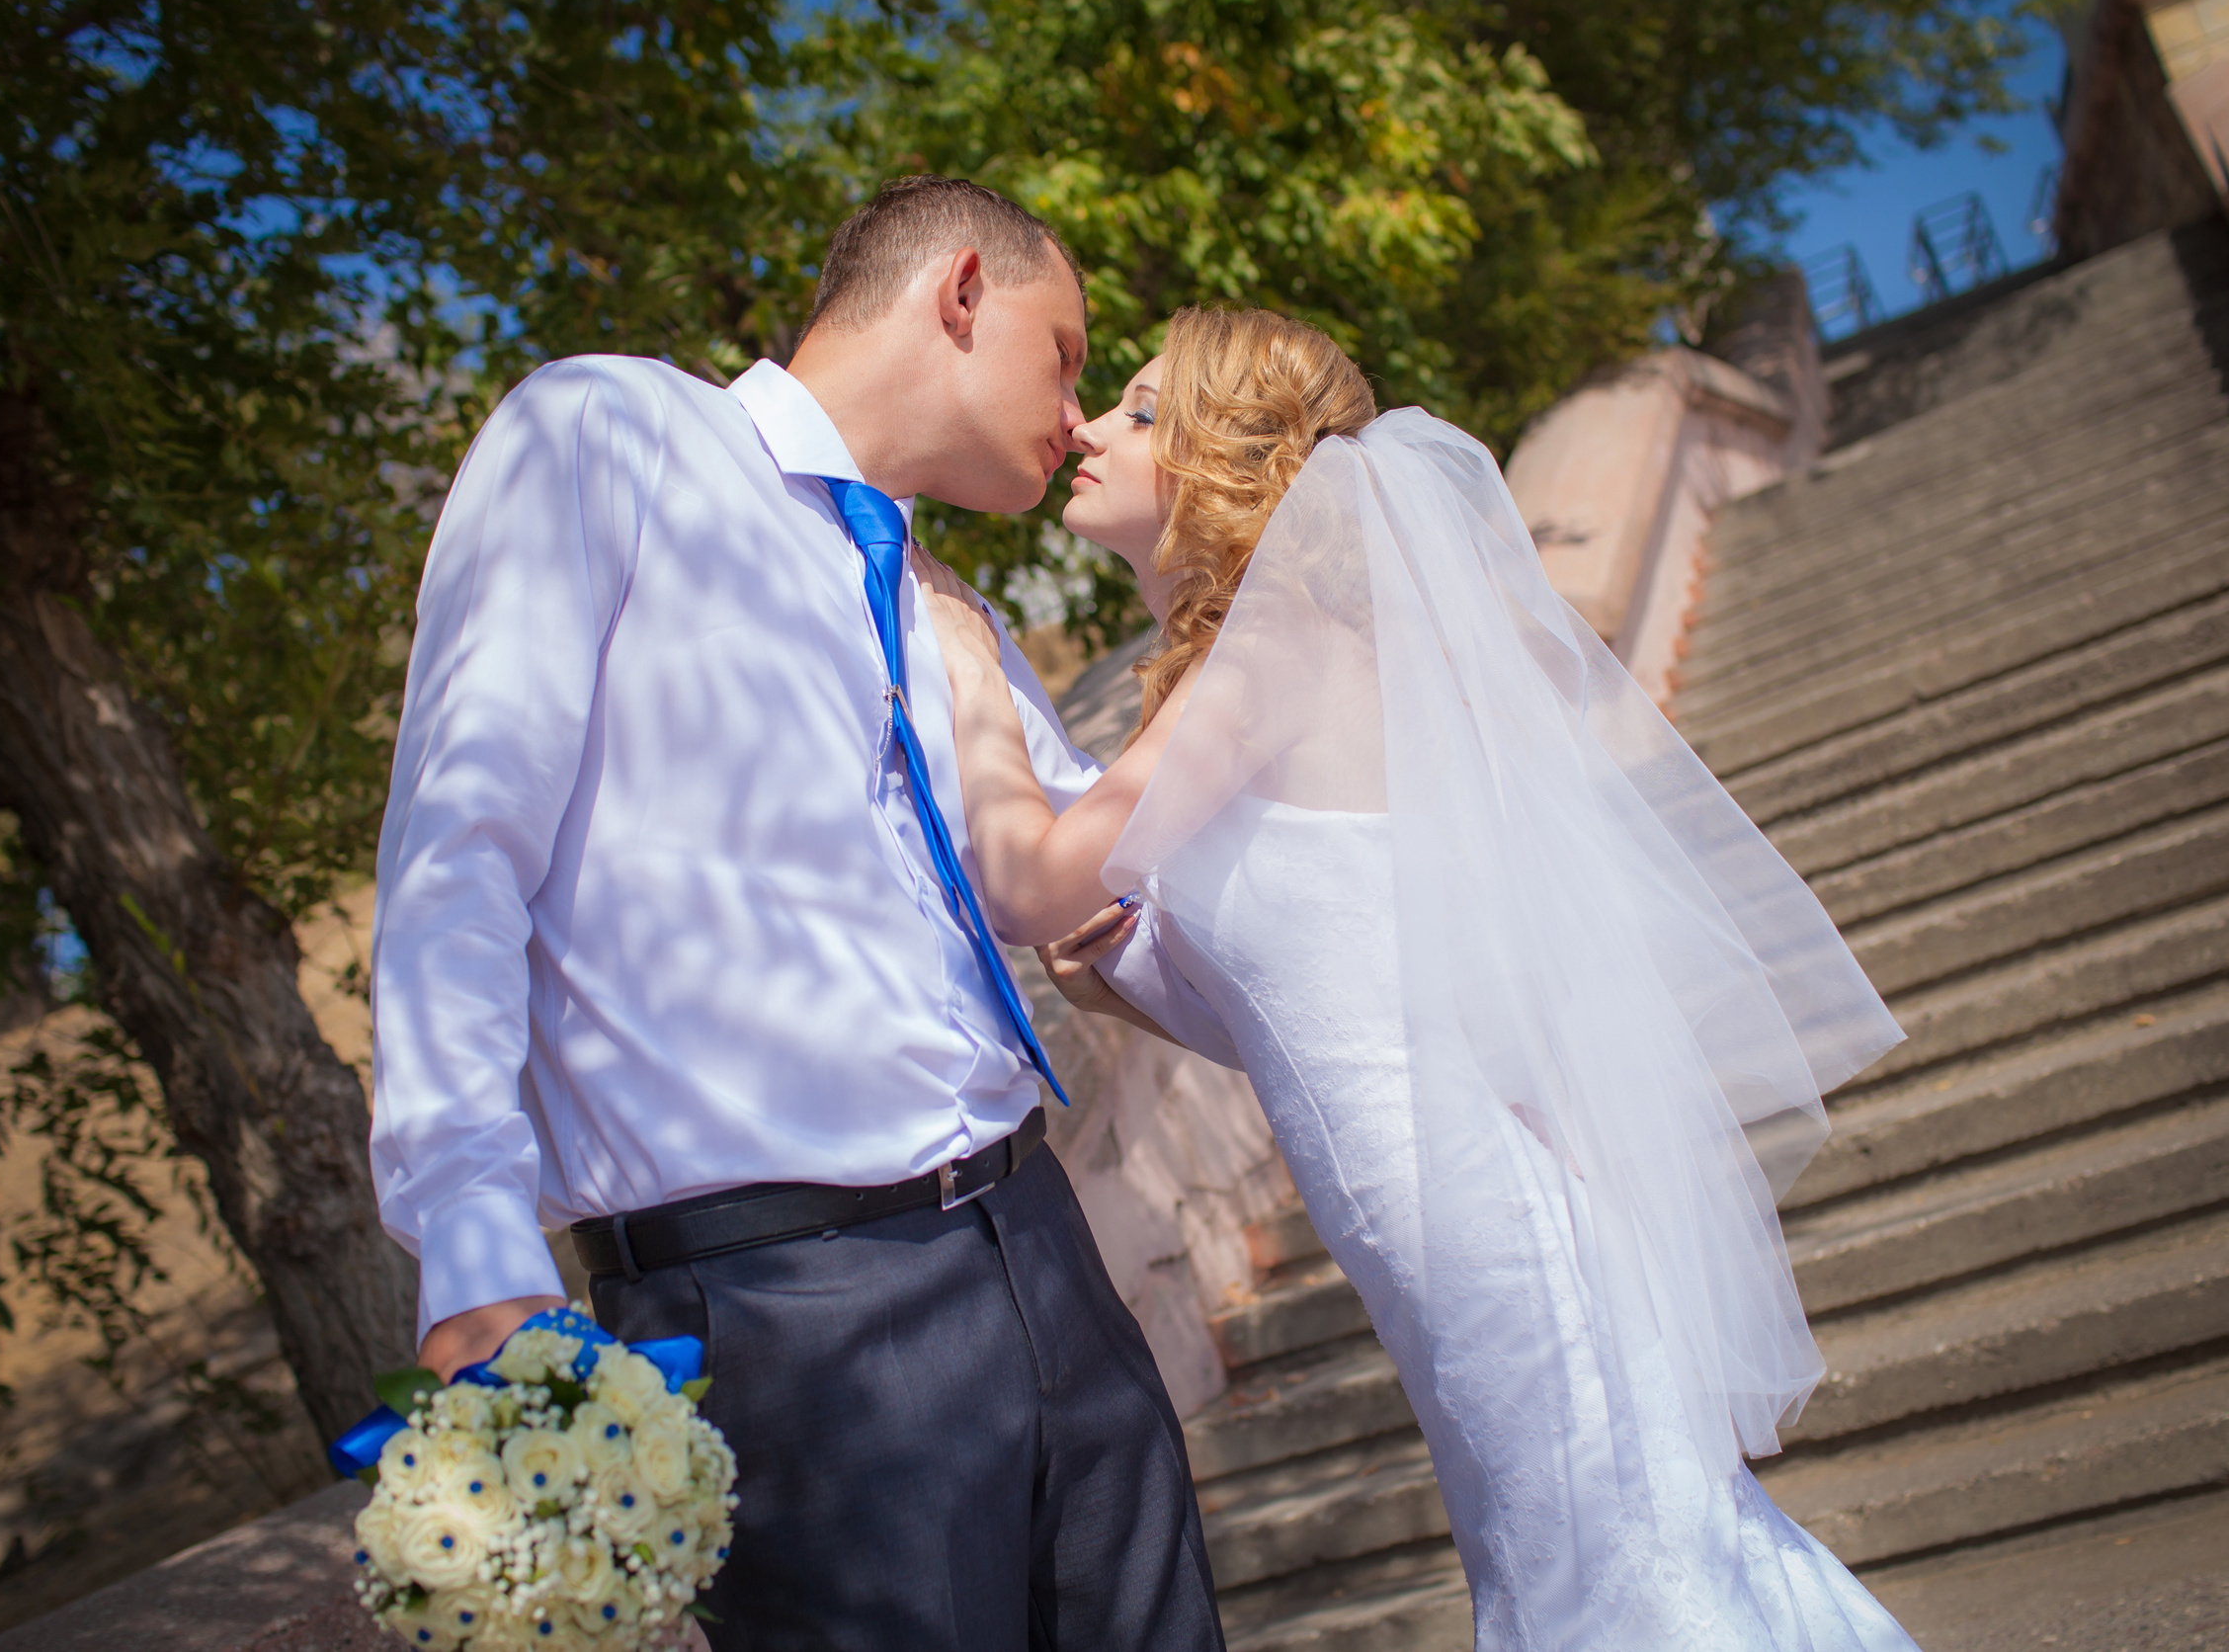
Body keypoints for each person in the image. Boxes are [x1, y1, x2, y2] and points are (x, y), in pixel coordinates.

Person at [913, 305, 1924, 1649]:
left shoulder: (1280, 647)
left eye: (1145, 412)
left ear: (1227, 459)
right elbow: (1307, 1011)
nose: (1091, 428)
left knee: (1615, 1581)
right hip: (1424, 1219)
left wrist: (976, 678)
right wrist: (1123, 986)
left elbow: (1035, 880)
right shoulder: (1230, 680)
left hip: (1484, 1216)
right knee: (1594, 1567)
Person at [368, 176, 1228, 1652]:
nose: (1078, 410)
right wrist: (472, 1246)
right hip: (785, 1316)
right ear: (963, 292)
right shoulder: (604, 434)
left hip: (1045, 1251)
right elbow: (460, 847)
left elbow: (1114, 882)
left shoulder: (942, 606)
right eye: (1070, 351)